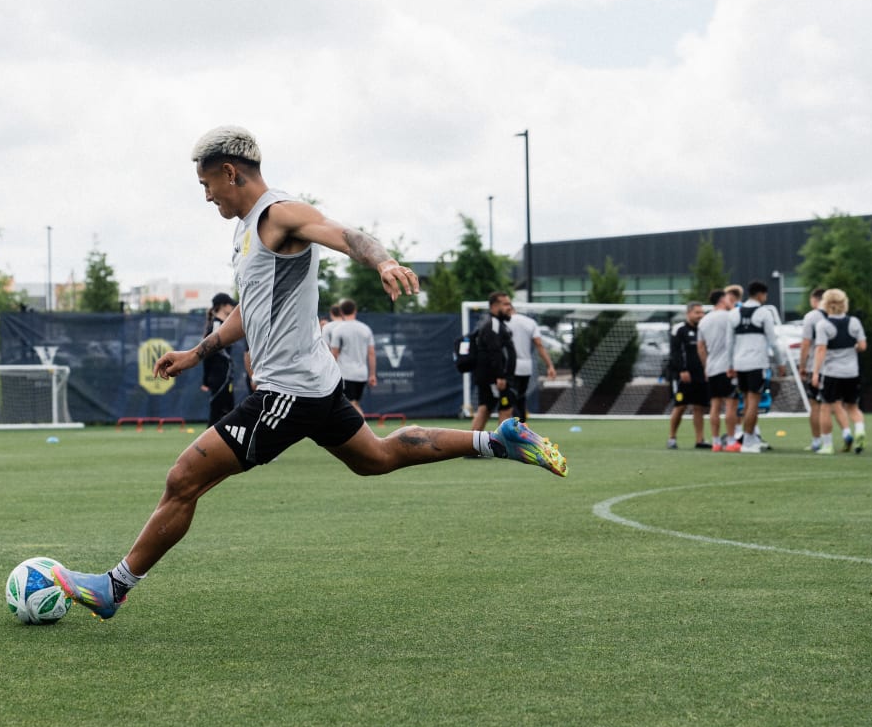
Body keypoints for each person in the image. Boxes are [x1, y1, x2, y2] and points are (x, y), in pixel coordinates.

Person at [50, 126, 567, 621]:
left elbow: (349, 235)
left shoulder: (279, 213)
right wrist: (197, 352)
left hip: (289, 393)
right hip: (315, 387)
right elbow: (248, 312)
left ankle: (112, 588)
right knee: (377, 458)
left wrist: (383, 262)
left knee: (183, 479)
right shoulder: (246, 232)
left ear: (230, 173)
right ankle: (498, 442)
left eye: (207, 185)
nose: (207, 196)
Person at [727, 280, 785, 453]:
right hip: (756, 363)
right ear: (760, 294)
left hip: (739, 363)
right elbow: (773, 342)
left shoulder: (734, 313)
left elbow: (729, 343)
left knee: (746, 402)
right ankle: (748, 441)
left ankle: (750, 438)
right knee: (754, 402)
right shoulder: (764, 313)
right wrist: (780, 363)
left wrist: (730, 365)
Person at [810, 288, 868, 454]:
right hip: (852, 372)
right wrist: (851, 349)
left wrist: (815, 373)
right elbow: (863, 346)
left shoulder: (823, 325)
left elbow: (821, 350)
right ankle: (859, 429)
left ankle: (827, 445)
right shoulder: (854, 322)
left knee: (826, 407)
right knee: (853, 407)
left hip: (832, 373)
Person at [697, 289, 740, 452]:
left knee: (714, 405)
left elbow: (700, 347)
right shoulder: (730, 317)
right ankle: (730, 441)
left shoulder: (704, 320)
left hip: (712, 367)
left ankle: (715, 442)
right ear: (723, 300)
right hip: (729, 367)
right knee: (731, 404)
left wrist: (706, 365)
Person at [470, 291, 516, 431]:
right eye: (506, 304)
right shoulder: (493, 324)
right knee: (504, 408)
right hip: (494, 378)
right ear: (495, 306)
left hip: (493, 376)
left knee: (486, 407)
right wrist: (500, 376)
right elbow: (494, 351)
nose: (510, 307)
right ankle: (502, 445)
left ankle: (472, 446)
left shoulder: (498, 324)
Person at [667, 301, 709, 449]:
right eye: (697, 312)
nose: (700, 315)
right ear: (689, 313)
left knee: (699, 407)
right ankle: (672, 438)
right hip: (683, 376)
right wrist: (682, 370)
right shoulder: (679, 330)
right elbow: (675, 352)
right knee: (680, 406)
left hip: (700, 375)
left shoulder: (704, 329)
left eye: (702, 312)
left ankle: (700, 440)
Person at [504, 302, 556, 422]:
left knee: (511, 399)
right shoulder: (530, 322)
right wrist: (550, 365)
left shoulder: (503, 322)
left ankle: (516, 427)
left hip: (509, 366)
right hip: (526, 367)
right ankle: (523, 426)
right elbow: (539, 344)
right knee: (521, 398)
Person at [329, 298, 376, 414]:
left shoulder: (338, 330)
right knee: (353, 403)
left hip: (346, 374)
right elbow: (371, 353)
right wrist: (372, 374)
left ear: (341, 312)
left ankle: (364, 428)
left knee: (351, 405)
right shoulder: (366, 329)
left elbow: (334, 354)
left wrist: (329, 374)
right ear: (355, 311)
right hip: (362, 374)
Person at [797, 288, 828, 452]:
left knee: (815, 405)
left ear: (814, 299)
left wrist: (802, 366)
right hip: (835, 368)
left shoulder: (812, 316)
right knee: (833, 405)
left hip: (815, 367)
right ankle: (841, 436)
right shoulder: (838, 315)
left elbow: (805, 344)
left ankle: (817, 441)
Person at [200, 293, 237, 426]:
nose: (233, 307)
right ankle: (207, 446)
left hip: (226, 377)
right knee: (217, 414)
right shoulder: (217, 326)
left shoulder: (224, 325)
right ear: (222, 306)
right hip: (219, 378)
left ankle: (227, 445)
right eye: (230, 304)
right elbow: (207, 355)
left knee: (229, 413)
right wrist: (206, 380)